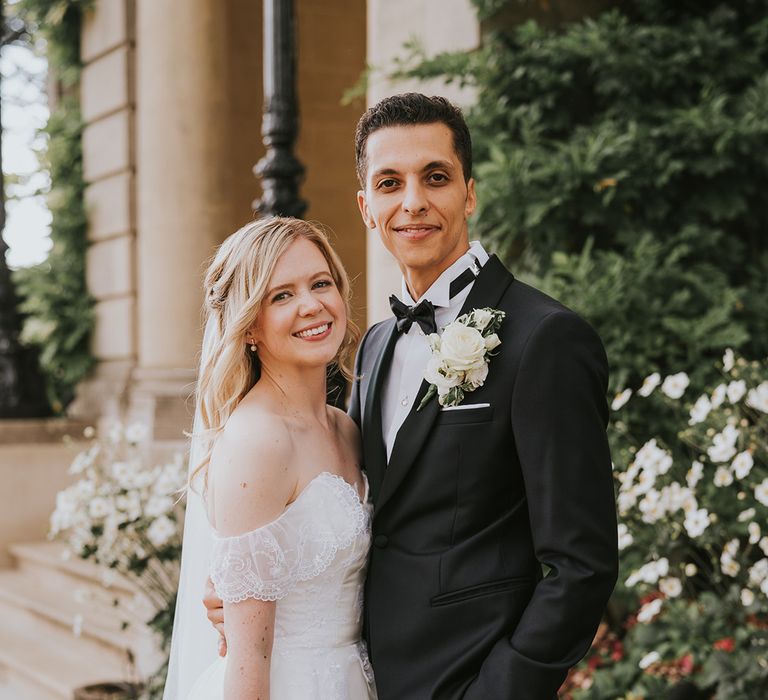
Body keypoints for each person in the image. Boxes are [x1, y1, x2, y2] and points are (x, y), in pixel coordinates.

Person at [204, 93, 618, 699]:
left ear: (469, 193)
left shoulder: (544, 339)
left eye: (436, 177)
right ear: (366, 206)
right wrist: (256, 601)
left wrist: (502, 690)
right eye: (390, 183)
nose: (414, 202)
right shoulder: (372, 347)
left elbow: (582, 566)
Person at [173, 217, 377, 699]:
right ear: (249, 328)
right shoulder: (257, 443)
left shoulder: (345, 427)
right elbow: (248, 656)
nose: (312, 305)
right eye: (281, 295)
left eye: (320, 283)